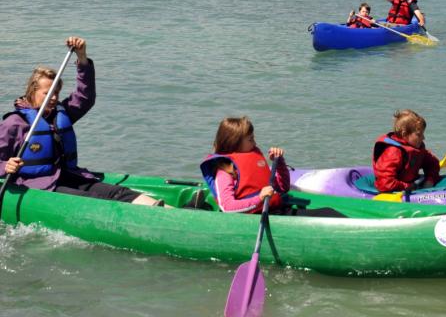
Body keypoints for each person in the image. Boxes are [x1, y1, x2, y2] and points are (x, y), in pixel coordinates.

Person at [0, 37, 162, 206]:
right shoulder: (14, 123)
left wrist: (82, 58)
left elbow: (85, 97)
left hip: (68, 176)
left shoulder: (60, 114)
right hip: (39, 186)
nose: (54, 98)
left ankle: (168, 212)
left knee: (118, 192)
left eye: (56, 92)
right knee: (96, 201)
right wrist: (6, 166)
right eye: (47, 93)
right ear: (32, 92)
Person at [200, 116, 290, 213]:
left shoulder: (254, 157)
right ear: (234, 142)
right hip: (253, 218)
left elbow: (283, 188)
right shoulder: (224, 172)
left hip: (275, 210)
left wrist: (279, 162)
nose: (255, 143)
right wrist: (259, 198)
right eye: (251, 139)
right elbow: (227, 206)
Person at [372, 109, 440, 193]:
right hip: (395, 190)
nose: (423, 138)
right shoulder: (393, 152)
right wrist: (407, 186)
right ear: (404, 134)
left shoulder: (417, 149)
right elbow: (385, 183)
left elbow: (433, 163)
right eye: (419, 134)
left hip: (411, 185)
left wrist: (430, 180)